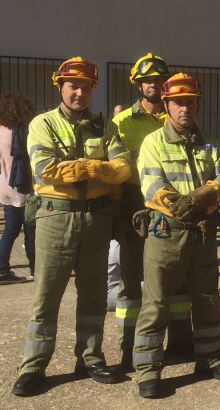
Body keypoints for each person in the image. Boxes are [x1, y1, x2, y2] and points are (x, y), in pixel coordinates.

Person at [13, 57, 131, 396]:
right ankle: (33, 366)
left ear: (92, 89)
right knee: (47, 295)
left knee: (94, 294)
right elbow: (46, 168)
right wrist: (98, 168)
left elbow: (123, 168)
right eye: (72, 85)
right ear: (60, 86)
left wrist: (88, 168)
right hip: (55, 216)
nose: (79, 92)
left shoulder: (104, 127)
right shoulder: (42, 124)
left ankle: (91, 358)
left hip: (96, 219)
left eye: (85, 86)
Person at [132, 72, 220, 398]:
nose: (185, 109)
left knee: (206, 297)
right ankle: (148, 371)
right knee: (156, 300)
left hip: (201, 233)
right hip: (166, 230)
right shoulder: (153, 142)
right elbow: (152, 188)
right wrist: (191, 203)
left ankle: (210, 357)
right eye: (178, 103)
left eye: (190, 103)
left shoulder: (208, 143)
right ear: (167, 105)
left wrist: (203, 197)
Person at [111, 53, 193, 370]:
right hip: (134, 210)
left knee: (178, 280)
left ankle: (181, 341)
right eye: (147, 81)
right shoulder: (121, 123)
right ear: (138, 84)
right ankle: (128, 347)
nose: (154, 86)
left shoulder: (176, 117)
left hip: (173, 209)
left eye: (159, 81)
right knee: (131, 282)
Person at [0, 92, 35, 284]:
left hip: (4, 185)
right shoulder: (22, 132)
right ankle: (33, 268)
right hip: (21, 186)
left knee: (10, 229)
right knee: (29, 229)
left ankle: (3, 267)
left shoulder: (0, 130)